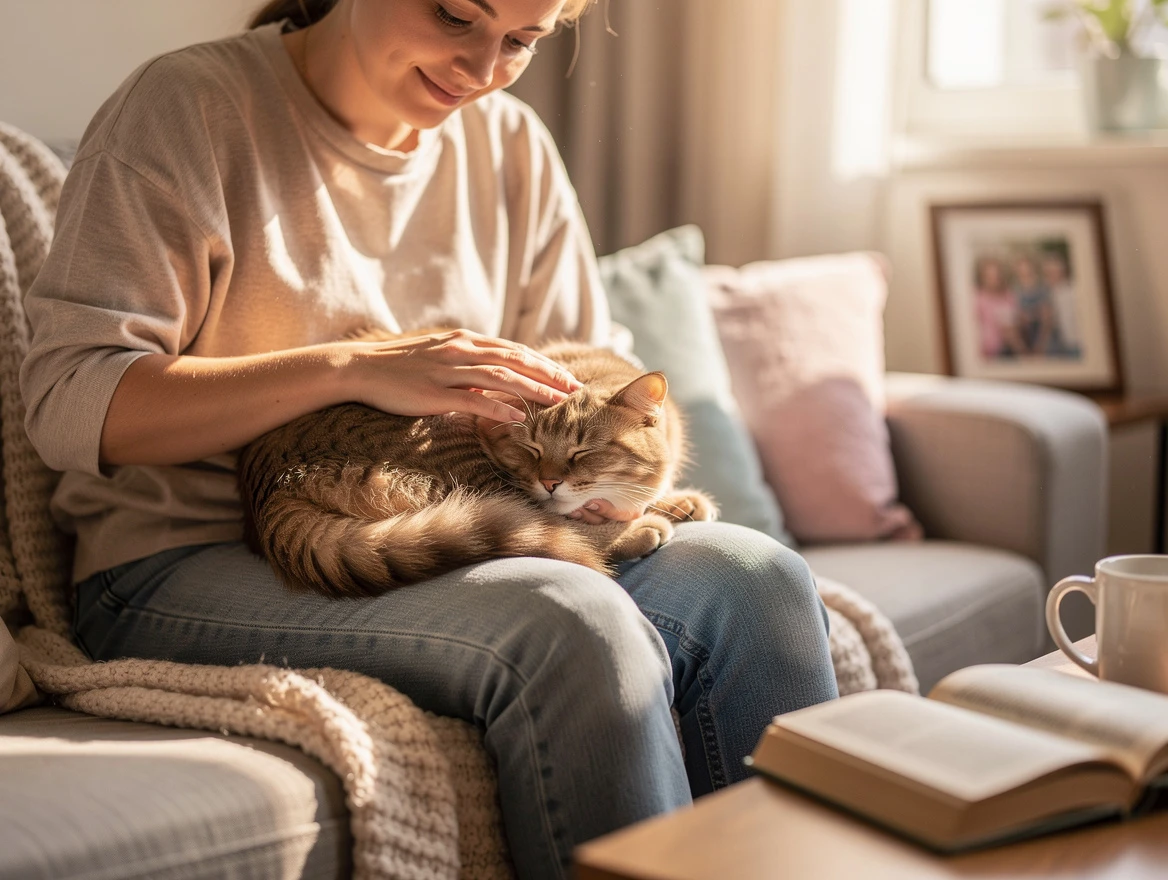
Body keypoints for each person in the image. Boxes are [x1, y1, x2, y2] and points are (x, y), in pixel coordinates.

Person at [19, 1, 838, 877]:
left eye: (522, 42)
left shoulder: (512, 147)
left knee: (762, 580)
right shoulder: (189, 106)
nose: (482, 71)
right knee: (575, 624)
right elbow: (69, 401)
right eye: (456, 15)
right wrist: (348, 368)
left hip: (471, 513)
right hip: (179, 557)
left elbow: (594, 385)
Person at [972, 254, 1024, 360]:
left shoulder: (1009, 295)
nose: (994, 279)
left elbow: (1015, 327)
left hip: (1008, 352)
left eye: (997, 275)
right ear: (982, 278)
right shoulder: (977, 297)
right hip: (986, 354)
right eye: (989, 276)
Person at [1039, 251, 1082, 358]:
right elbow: (1049, 321)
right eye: (1047, 273)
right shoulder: (1050, 293)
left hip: (1077, 345)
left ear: (1062, 271)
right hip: (1063, 347)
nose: (1049, 276)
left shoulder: (1074, 290)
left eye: (1052, 272)